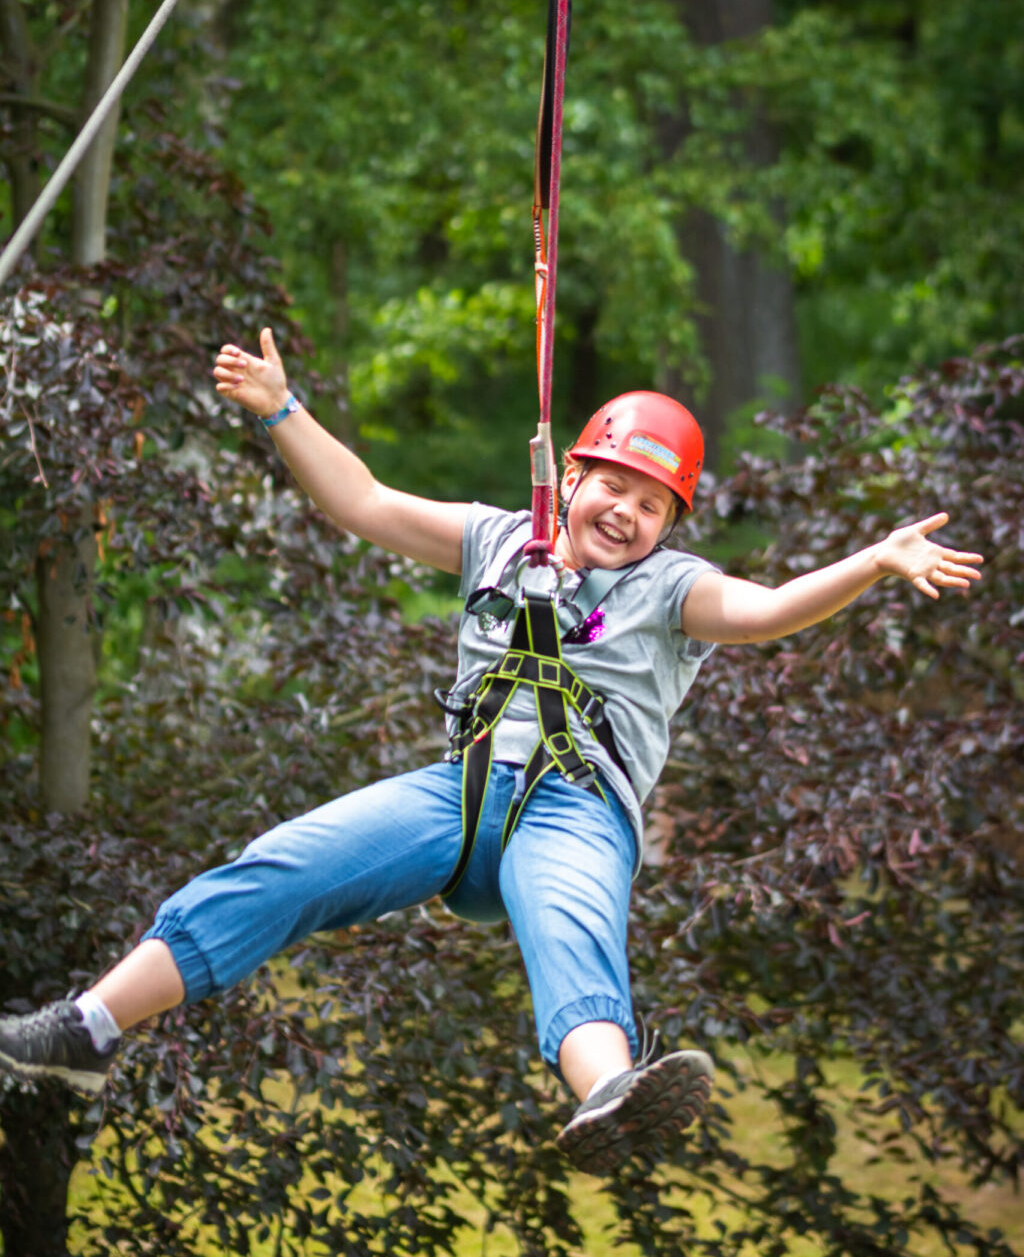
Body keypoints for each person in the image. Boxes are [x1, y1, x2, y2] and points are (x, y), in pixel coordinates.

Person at [0, 329, 984, 1176]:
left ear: (670, 526)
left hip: (573, 809)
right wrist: (281, 409)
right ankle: (83, 1030)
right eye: (613, 486)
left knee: (568, 923)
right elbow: (363, 504)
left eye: (652, 506)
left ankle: (609, 1095)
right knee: (287, 865)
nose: (626, 513)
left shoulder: (675, 592)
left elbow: (767, 613)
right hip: (456, 799)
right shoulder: (498, 539)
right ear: (574, 478)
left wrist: (873, 561)